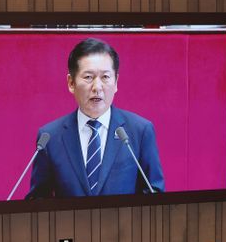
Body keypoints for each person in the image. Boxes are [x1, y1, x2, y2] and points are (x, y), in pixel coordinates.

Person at [27, 38, 164, 198]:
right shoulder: (50, 137)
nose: (97, 87)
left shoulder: (139, 131)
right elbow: (38, 200)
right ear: (71, 83)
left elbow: (154, 195)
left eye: (105, 77)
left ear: (116, 82)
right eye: (88, 77)